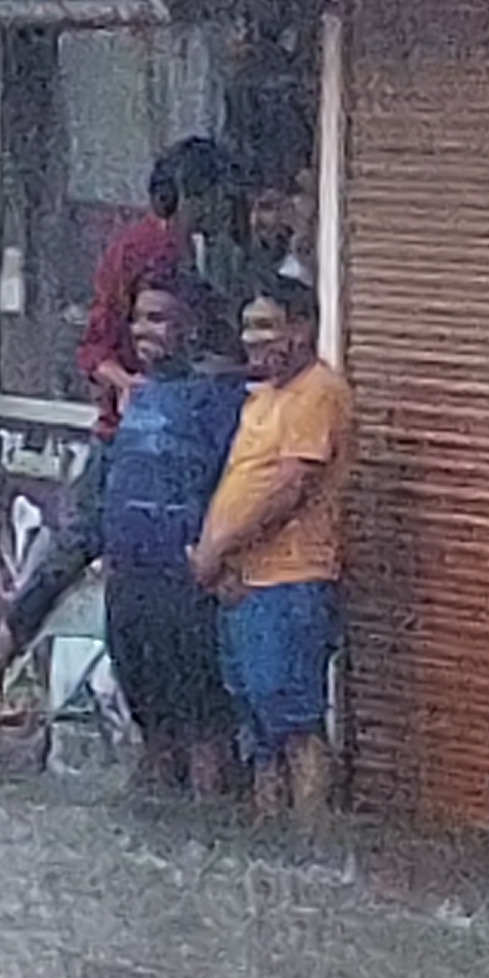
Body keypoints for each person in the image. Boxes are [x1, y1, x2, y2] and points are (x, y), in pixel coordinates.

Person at [0, 278, 250, 794]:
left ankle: (209, 837)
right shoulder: (134, 403)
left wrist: (226, 564)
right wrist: (9, 639)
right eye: (137, 319)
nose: (141, 330)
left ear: (193, 326)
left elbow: (247, 496)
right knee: (152, 733)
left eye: (158, 317)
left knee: (206, 739)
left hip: (192, 598)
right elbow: (86, 529)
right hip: (132, 595)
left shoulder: (225, 403)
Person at [192, 279, 354, 819]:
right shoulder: (262, 397)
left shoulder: (319, 392)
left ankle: (311, 849)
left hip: (290, 584)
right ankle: (270, 843)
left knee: (295, 727)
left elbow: (289, 488)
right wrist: (220, 559)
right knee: (259, 732)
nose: (252, 339)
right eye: (247, 327)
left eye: (266, 325)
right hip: (243, 585)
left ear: (303, 327)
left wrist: (217, 548)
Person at [79, 138, 231, 435]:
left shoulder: (203, 249)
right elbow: (95, 346)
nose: (225, 207)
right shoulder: (138, 249)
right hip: (138, 427)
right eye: (220, 195)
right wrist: (129, 384)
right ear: (192, 196)